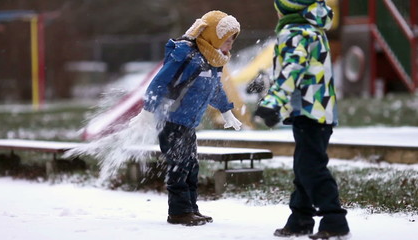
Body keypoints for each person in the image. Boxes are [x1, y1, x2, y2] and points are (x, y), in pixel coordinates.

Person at [255, 0, 350, 239]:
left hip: (310, 111)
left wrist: (272, 102)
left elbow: (292, 70)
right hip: (315, 110)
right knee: (304, 165)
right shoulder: (311, 29)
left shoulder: (295, 31)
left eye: (278, 7)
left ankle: (335, 221)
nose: (276, 12)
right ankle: (300, 219)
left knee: (311, 168)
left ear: (286, 9)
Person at [141, 10, 242, 226]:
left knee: (191, 166)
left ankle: (191, 208)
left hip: (188, 124)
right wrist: (147, 110)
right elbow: (159, 82)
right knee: (178, 166)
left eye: (233, 40)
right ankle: (178, 212)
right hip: (171, 120)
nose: (230, 44)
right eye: (227, 39)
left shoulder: (212, 60)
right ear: (214, 36)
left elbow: (215, 90)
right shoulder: (188, 56)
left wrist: (226, 111)